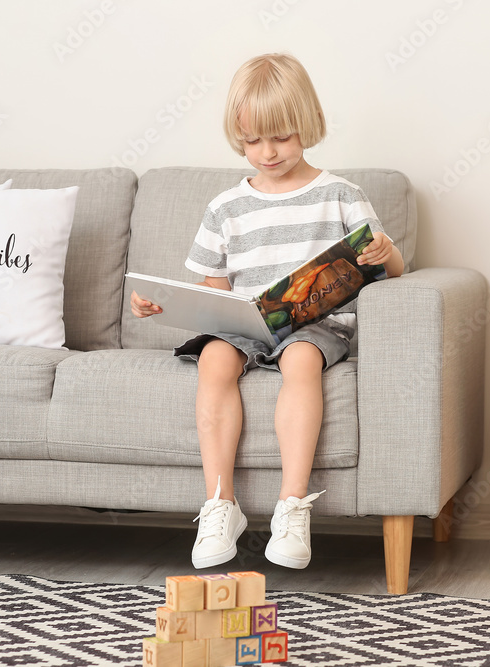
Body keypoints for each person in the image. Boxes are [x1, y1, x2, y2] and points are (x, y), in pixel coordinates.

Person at [131, 53, 404, 570]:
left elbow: (391, 265)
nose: (267, 152)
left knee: (300, 360)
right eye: (252, 141)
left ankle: (292, 506)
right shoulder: (226, 207)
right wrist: (162, 303)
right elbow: (212, 288)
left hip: (315, 325)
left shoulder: (342, 195)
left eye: (280, 137)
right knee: (214, 361)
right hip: (246, 324)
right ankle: (220, 504)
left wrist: (384, 252)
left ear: (307, 125)